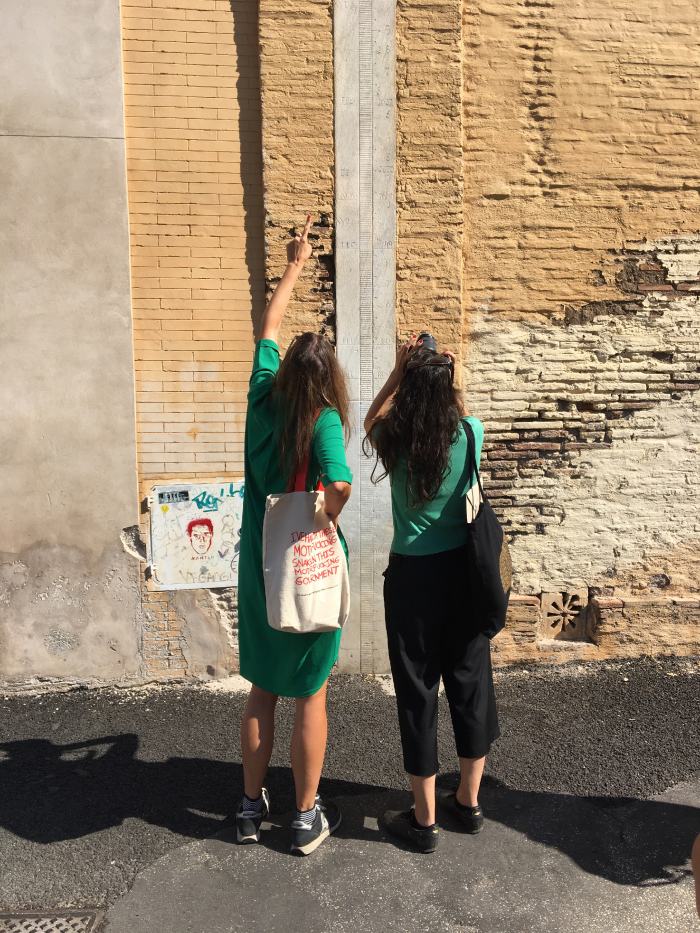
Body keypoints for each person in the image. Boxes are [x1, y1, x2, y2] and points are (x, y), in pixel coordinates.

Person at [235, 216, 353, 855]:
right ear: (328, 379)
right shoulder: (325, 420)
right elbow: (341, 484)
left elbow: (268, 328)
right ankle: (305, 817)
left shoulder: (261, 398)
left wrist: (294, 266)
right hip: (305, 570)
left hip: (260, 568)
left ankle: (249, 809)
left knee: (262, 691)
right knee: (310, 695)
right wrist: (327, 514)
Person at [364, 334, 500, 853]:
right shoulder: (469, 431)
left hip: (413, 580)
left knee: (418, 693)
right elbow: (460, 412)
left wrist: (397, 374)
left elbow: (370, 419)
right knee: (469, 684)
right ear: (446, 386)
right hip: (464, 575)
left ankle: (424, 821)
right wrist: (449, 376)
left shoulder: (393, 437)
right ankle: (468, 803)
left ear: (409, 387)